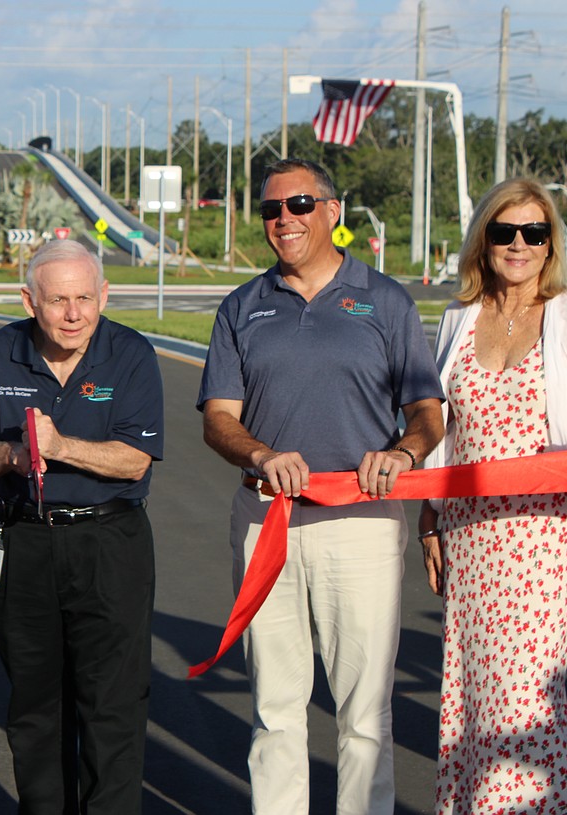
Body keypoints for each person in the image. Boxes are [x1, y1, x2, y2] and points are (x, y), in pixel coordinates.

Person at [197, 158, 445, 815]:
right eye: (272, 209)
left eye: (300, 204)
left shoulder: (386, 301)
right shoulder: (241, 306)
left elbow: (427, 410)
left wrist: (405, 450)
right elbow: (219, 419)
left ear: (333, 212)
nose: (285, 219)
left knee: (364, 711)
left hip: (360, 522)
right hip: (265, 516)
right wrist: (260, 451)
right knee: (275, 706)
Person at [417, 178, 567, 814]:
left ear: (550, 244)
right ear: (484, 239)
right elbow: (440, 431)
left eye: (534, 233)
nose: (518, 244)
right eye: (505, 231)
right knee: (472, 696)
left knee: (525, 702)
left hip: (542, 537)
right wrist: (428, 524)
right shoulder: (458, 318)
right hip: (467, 534)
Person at [0, 239, 163, 814]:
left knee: (113, 705)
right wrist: (16, 457)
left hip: (110, 542)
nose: (73, 314)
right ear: (30, 300)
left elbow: (135, 459)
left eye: (84, 299)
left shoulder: (131, 354)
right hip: (22, 539)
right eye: (57, 301)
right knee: (35, 706)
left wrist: (59, 446)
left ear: (104, 295)